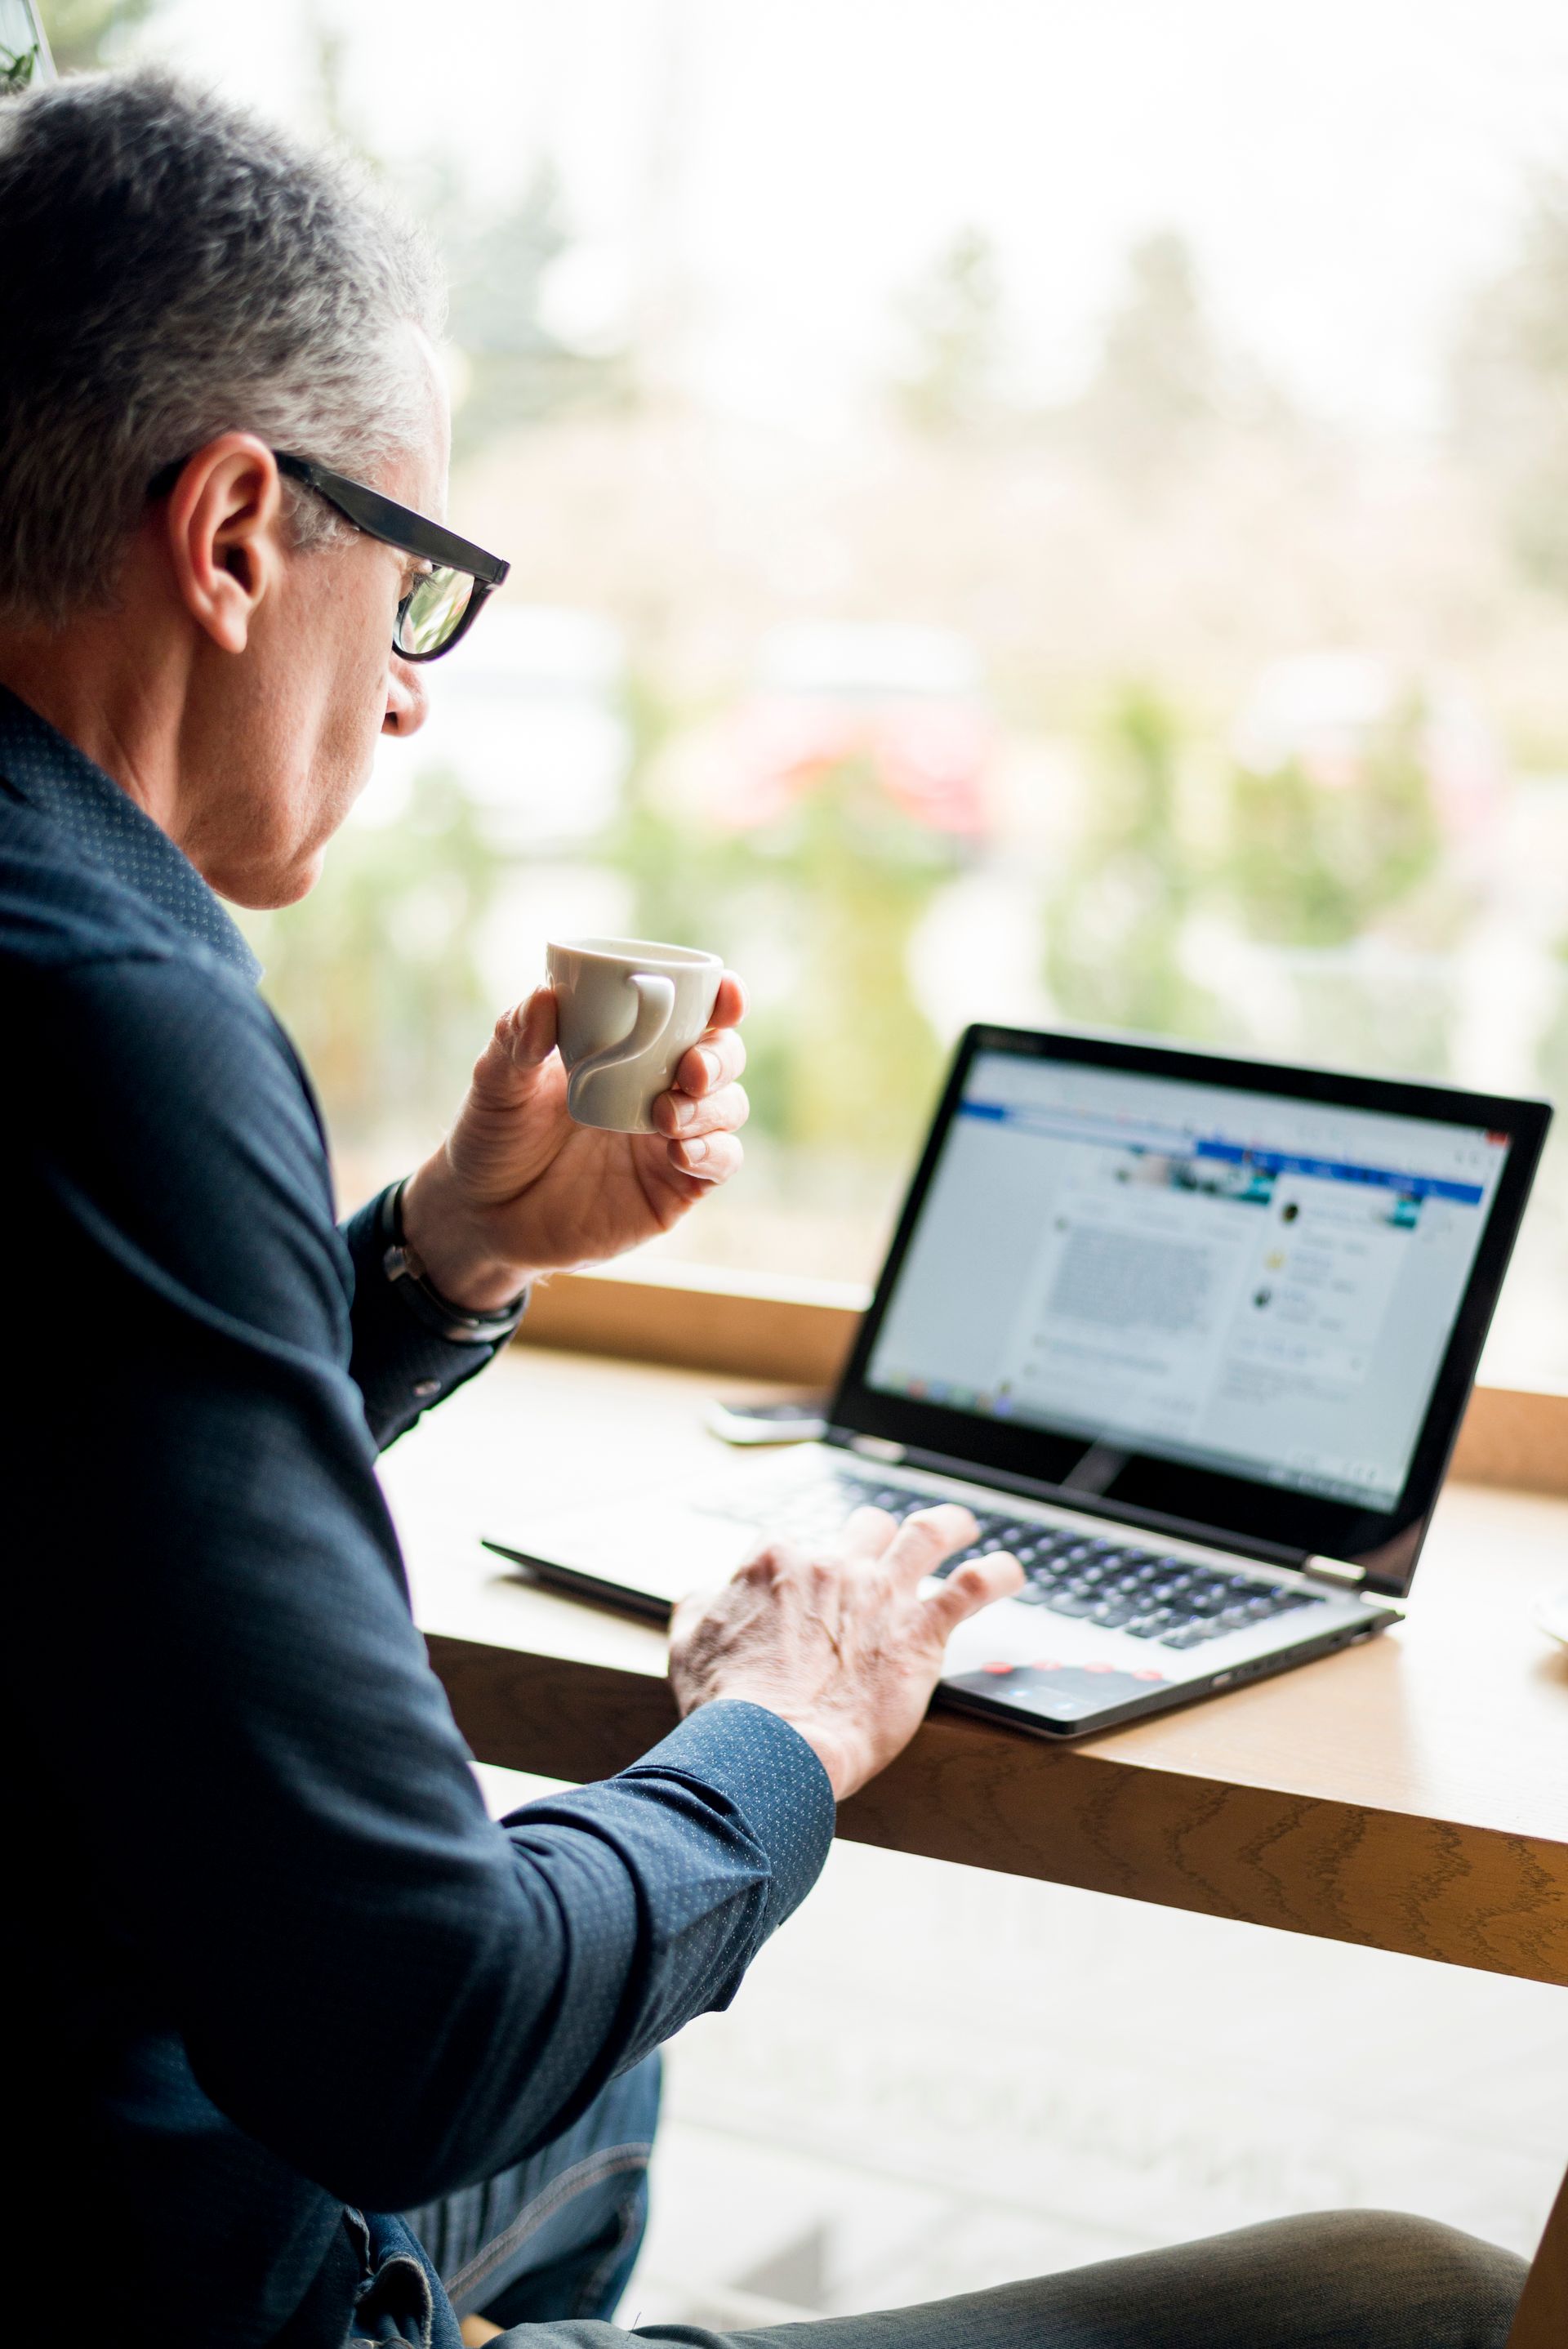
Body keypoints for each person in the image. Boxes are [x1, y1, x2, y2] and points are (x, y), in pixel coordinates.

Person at [0, 67, 1526, 2349]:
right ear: (232, 535)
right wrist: (784, 1724)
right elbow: (416, 2034)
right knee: (1413, 2293)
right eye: (410, 583)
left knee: (607, 2098)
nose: (410, 697)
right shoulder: (119, 1002)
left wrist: (442, 1253)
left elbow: (71, 1450)